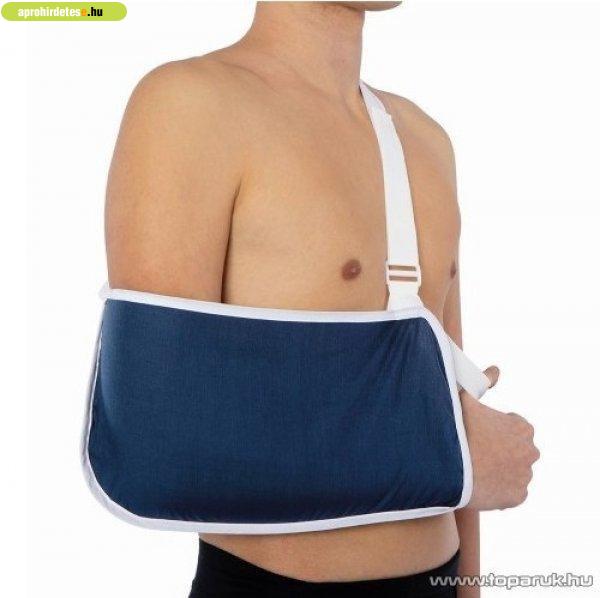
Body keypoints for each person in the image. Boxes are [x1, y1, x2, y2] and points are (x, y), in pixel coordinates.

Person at [105, 2, 539, 596]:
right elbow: (156, 441)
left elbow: (452, 408)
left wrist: (469, 582)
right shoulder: (191, 103)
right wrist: (445, 456)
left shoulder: (425, 138)